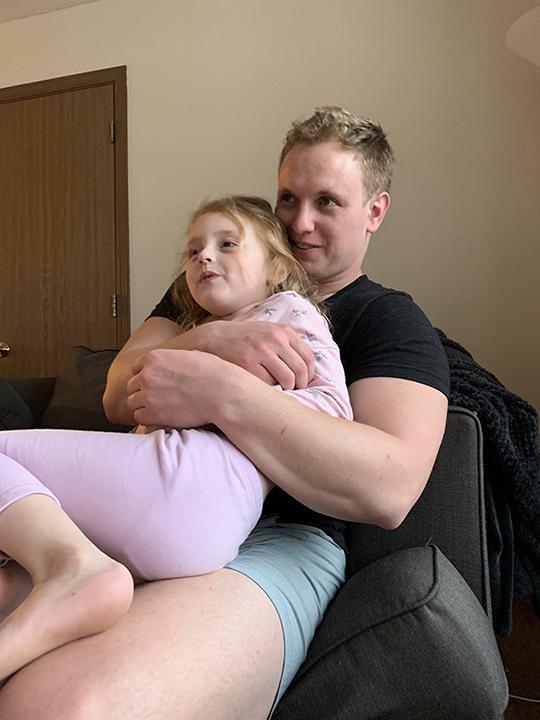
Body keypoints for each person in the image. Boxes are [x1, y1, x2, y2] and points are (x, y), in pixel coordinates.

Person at [0, 107, 449, 720]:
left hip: (283, 537)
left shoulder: (389, 318)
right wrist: (210, 339)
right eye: (287, 198)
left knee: (61, 706)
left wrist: (220, 391)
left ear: (375, 211)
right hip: (142, 495)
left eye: (327, 202)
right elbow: (117, 393)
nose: (299, 222)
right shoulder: (201, 296)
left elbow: (389, 488)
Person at [0, 195, 353, 683]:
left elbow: (333, 410)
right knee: (19, 569)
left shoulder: (286, 310)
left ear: (276, 268)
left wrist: (223, 400)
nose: (204, 255)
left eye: (227, 244)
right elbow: (121, 398)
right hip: (193, 533)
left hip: (192, 479)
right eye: (193, 250)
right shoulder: (201, 331)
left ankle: (75, 571)